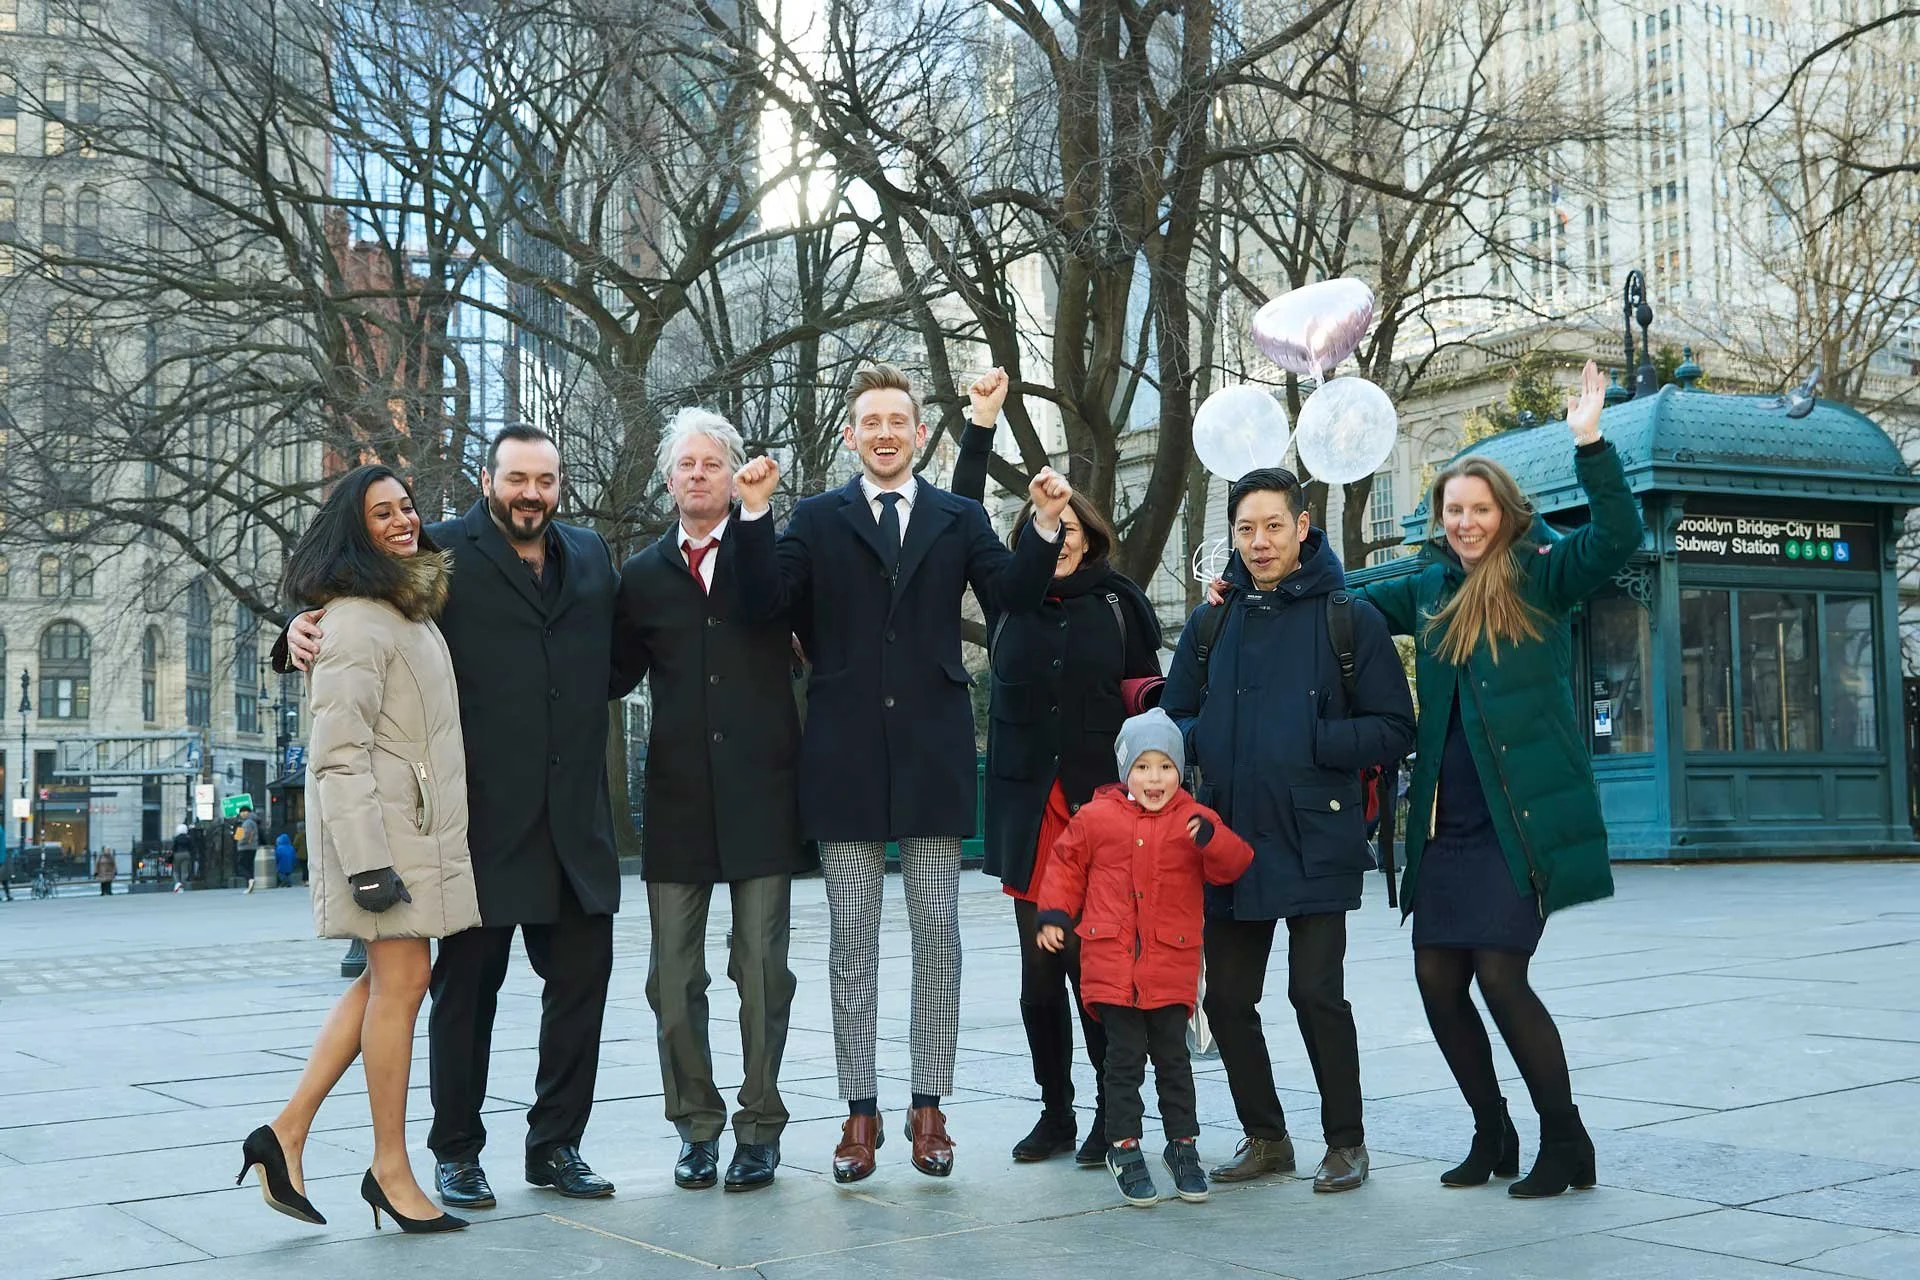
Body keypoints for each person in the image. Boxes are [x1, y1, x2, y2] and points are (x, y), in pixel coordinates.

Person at [729, 362, 1073, 1182]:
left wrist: (1048, 524)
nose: (884, 433)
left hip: (932, 754)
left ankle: (929, 1109)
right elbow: (760, 602)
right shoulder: (813, 518)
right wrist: (751, 514)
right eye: (870, 421)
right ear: (852, 436)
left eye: (898, 421)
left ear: (920, 435)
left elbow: (1014, 593)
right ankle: (859, 1117)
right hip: (843, 759)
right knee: (850, 947)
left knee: (938, 945)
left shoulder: (958, 516)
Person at [281, 424, 624, 1208]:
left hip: (576, 823)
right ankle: (455, 1152)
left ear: (560, 484)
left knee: (582, 986)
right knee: (466, 993)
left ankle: (557, 1145)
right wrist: (295, 631)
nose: (529, 493)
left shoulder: (593, 557)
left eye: (544, 479)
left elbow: (630, 650)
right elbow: (354, 598)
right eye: (515, 479)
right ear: (487, 478)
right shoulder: (437, 552)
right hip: (477, 827)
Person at [1352, 360, 1639, 1198]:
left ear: (1505, 514)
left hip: (1519, 823)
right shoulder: (1431, 588)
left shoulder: (1543, 576)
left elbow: (1614, 537)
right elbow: (1350, 600)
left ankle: (1566, 1140)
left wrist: (1590, 444)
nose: (1468, 522)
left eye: (1480, 510)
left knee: (1501, 976)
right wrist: (1272, 574)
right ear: (1441, 520)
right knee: (1437, 978)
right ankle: (1493, 1131)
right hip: (1447, 823)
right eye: (1455, 511)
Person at [238, 463, 479, 1235]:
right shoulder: (354, 620)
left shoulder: (400, 609)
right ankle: (389, 1167)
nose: (403, 520)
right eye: (383, 513)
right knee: (402, 989)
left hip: (408, 834)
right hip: (384, 843)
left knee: (388, 987)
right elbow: (335, 753)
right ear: (355, 530)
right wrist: (370, 863)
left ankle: (287, 1133)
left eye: (407, 506)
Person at [1160, 466, 1415, 1194]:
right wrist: (1200, 738)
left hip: (1315, 834)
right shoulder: (1212, 623)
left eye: (1274, 525)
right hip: (1232, 838)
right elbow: (1173, 719)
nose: (1260, 541)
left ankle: (1347, 1142)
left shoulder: (1349, 618)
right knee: (1228, 1000)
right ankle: (1266, 1136)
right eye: (1246, 529)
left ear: (1303, 525)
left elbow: (1394, 726)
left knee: (1315, 994)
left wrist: (1317, 742)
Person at [949, 367, 1163, 1164]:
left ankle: (1118, 1112)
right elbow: (956, 515)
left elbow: (1158, 708)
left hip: (1105, 810)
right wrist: (982, 421)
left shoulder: (1120, 602)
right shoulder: (1010, 604)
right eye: (1050, 531)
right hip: (1032, 814)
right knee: (1043, 976)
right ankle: (1056, 1112)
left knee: (1097, 970)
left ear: (1094, 532)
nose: (1064, 538)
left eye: (1074, 528)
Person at [610, 409, 813, 1194]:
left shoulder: (770, 556)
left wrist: (760, 520)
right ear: (669, 481)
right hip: (677, 802)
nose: (698, 474)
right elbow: (609, 670)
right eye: (685, 465)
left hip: (763, 793)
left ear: (733, 477)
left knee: (762, 972)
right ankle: (696, 1126)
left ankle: (759, 1127)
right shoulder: (641, 577)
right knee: (672, 979)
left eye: (711, 463)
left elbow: (778, 606)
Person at [1036, 709, 1253, 1207]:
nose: (1154, 778)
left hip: (1170, 968)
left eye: (1165, 767)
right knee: (1124, 1062)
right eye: (1143, 767)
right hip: (1112, 966)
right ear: (1124, 769)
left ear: (1179, 771)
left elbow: (1235, 865)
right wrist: (1053, 915)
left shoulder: (1194, 819)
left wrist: (1213, 840)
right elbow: (1065, 866)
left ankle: (1183, 1146)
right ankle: (1124, 1146)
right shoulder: (1095, 818)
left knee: (1174, 1063)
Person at [234, 806, 260, 887]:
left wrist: (240, 842)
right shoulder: (251, 822)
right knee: (249, 866)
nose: (241, 814)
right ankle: (250, 883)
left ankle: (250, 879)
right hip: (252, 847)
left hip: (245, 847)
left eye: (242, 812)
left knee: (241, 866)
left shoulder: (247, 822)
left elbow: (244, 835)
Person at [171, 823, 193, 893]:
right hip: (186, 854)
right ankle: (183, 885)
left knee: (176, 871)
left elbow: (173, 847)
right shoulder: (188, 838)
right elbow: (191, 847)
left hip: (177, 854)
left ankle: (178, 884)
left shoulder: (176, 838)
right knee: (184, 871)